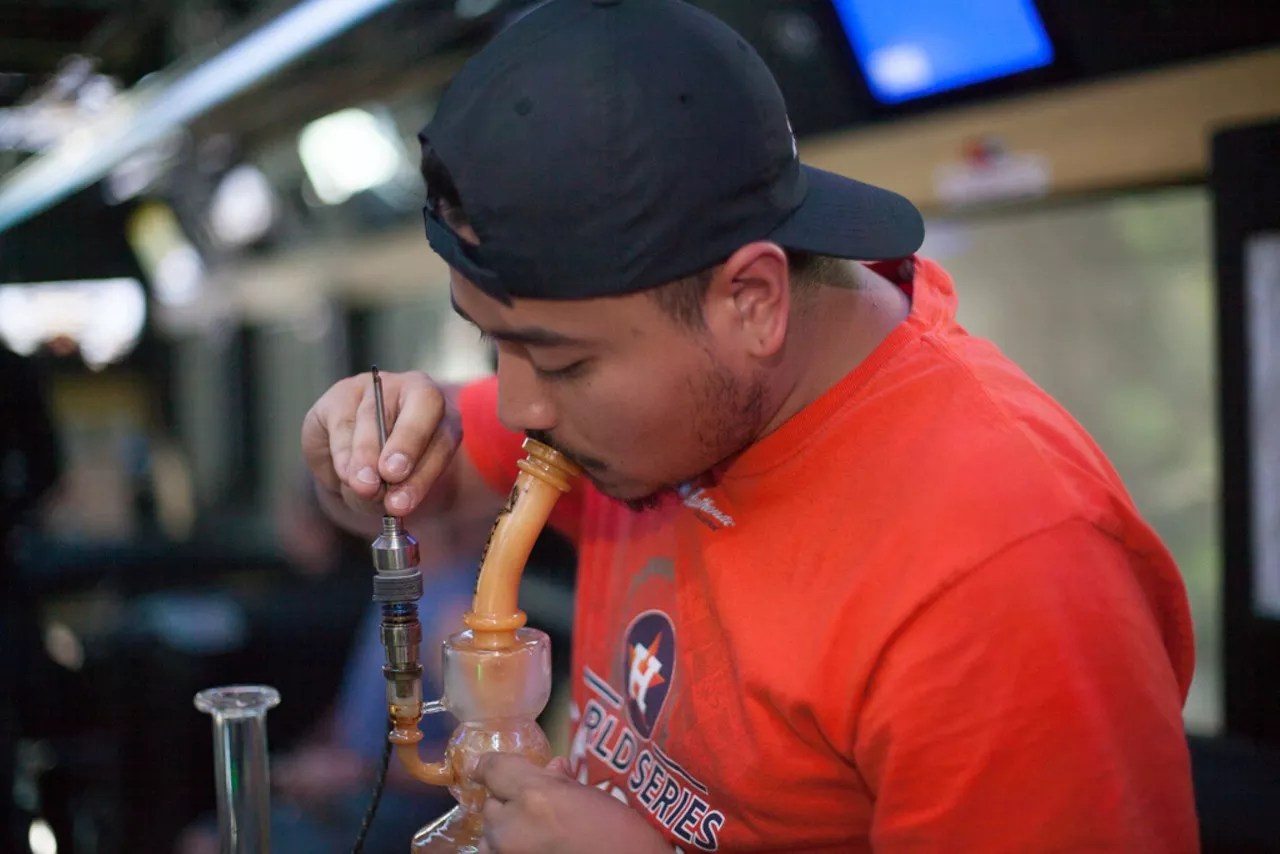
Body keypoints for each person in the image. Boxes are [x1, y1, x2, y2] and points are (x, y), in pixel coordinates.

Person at [301, 1, 1199, 851]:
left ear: (752, 301)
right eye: (492, 343)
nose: (515, 407)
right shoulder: (649, 406)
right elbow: (423, 497)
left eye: (562, 362)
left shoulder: (1005, 577)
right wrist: (357, 453)